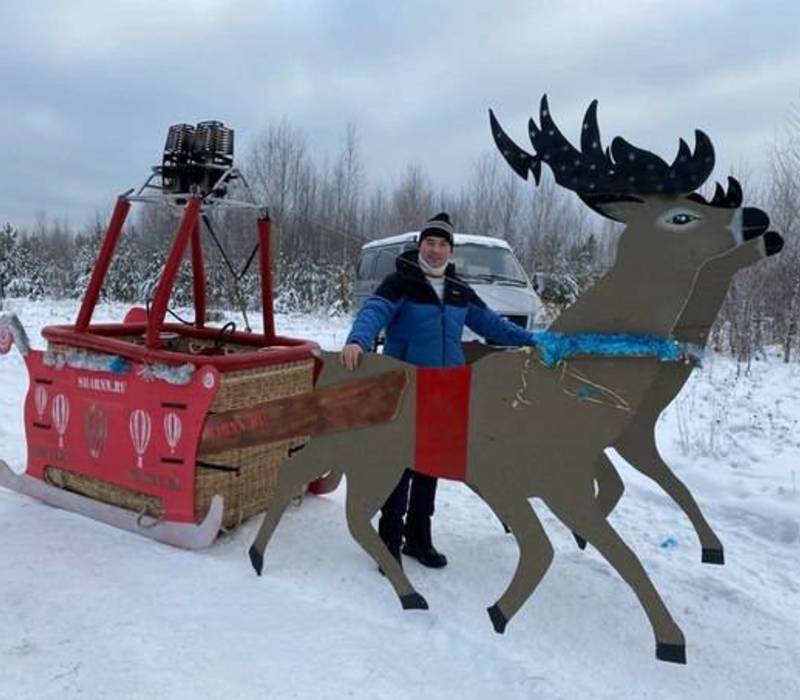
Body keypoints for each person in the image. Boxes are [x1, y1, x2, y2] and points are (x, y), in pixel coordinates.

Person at [341, 212, 537, 569]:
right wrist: (359, 339)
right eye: (429, 243)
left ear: (451, 249)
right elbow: (374, 311)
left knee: (430, 463)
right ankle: (389, 539)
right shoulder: (400, 283)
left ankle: (418, 537)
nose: (435, 250)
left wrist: (534, 341)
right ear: (420, 246)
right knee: (399, 466)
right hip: (404, 388)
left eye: (442, 244)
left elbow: (493, 326)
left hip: (444, 392)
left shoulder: (460, 290)